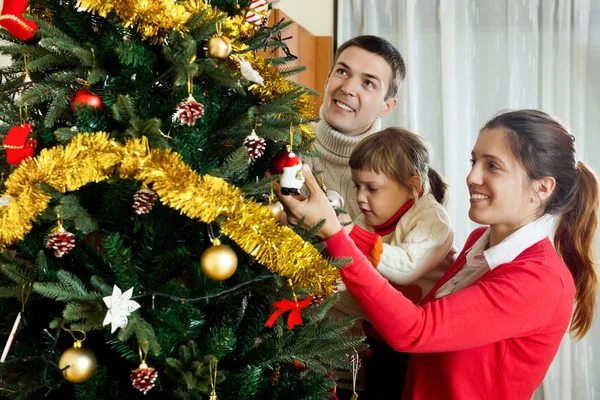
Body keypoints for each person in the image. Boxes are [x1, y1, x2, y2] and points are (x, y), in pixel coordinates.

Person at [278, 109, 599, 399]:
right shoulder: (480, 242)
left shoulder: (539, 280)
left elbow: (415, 330)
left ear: (542, 188)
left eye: (493, 166)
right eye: (475, 161)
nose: (472, 177)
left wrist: (336, 233)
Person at [335, 127, 453, 399]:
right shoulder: (369, 223)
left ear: (412, 186)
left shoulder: (432, 220)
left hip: (419, 342)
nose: (360, 197)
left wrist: (351, 234)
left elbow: (406, 267)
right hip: (381, 335)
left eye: (372, 188)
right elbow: (355, 272)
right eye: (357, 186)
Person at [305, 35, 406, 220]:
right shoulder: (284, 141)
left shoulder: (402, 173)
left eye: (368, 83)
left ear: (387, 107)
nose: (348, 88)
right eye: (342, 72)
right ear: (327, 80)